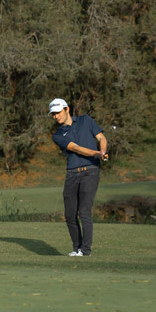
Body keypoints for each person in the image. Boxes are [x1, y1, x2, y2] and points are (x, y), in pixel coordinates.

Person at [49, 98, 107, 257]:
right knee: (69, 214)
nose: (56, 116)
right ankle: (77, 249)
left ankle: (85, 250)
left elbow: (101, 138)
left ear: (67, 109)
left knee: (84, 211)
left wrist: (102, 150)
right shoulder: (58, 135)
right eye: (53, 114)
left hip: (90, 171)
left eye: (58, 112)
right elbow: (76, 148)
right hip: (72, 173)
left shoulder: (85, 120)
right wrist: (97, 153)